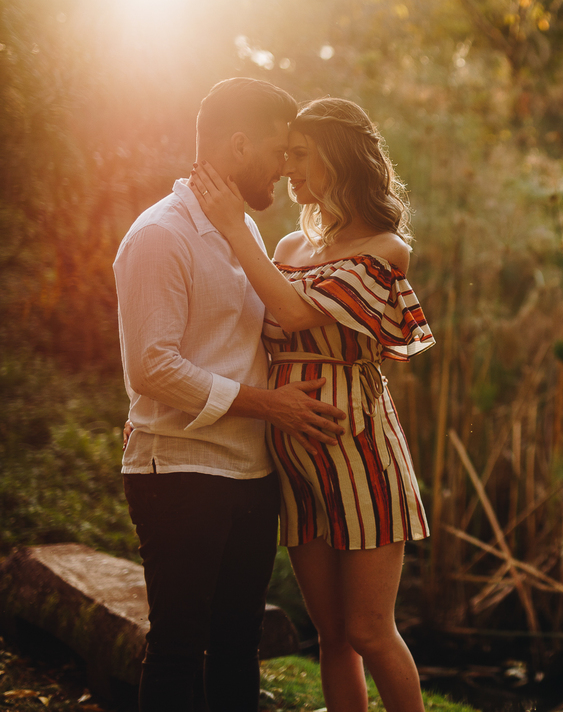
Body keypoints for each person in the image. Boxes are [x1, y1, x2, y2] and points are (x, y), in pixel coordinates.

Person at [188, 96, 435, 712]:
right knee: (331, 637)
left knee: (370, 631)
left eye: (301, 156)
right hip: (295, 462)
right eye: (287, 154)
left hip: (360, 455)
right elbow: (261, 319)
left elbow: (294, 312)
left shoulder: (383, 248)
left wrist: (232, 225)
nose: (288, 168)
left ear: (340, 159)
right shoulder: (290, 247)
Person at [113, 77, 348, 712]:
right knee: (179, 650)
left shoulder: (244, 239)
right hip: (180, 469)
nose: (285, 167)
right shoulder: (161, 235)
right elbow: (152, 368)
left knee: (240, 646)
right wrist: (269, 405)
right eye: (279, 151)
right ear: (239, 146)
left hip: (251, 470)